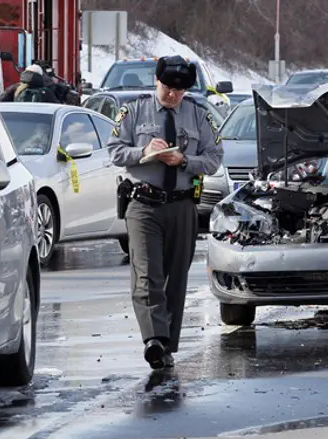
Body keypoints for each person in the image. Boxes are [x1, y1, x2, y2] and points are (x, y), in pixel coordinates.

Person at [108, 55, 224, 370]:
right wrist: (144, 152)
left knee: (176, 278)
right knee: (147, 275)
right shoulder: (132, 111)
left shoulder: (198, 115)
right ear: (156, 82)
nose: (173, 94)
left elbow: (214, 157)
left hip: (183, 206)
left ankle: (167, 345)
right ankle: (154, 340)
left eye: (180, 90)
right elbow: (114, 149)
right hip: (143, 205)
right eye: (168, 87)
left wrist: (184, 161)